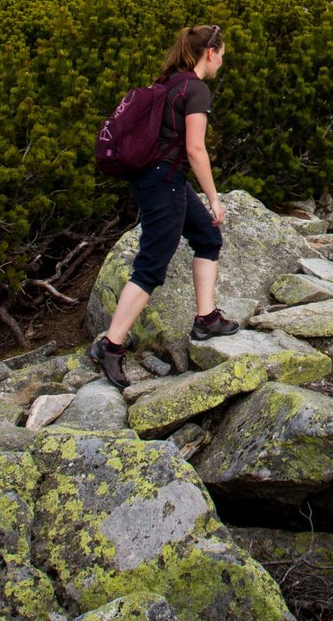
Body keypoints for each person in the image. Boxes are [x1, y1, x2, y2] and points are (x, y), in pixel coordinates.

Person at [89, 24, 240, 387]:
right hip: (164, 182)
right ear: (210, 52)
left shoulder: (171, 83)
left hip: (161, 179)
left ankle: (206, 318)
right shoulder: (196, 89)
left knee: (207, 238)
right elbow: (195, 149)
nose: (222, 60)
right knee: (151, 267)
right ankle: (110, 346)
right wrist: (215, 198)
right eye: (222, 53)